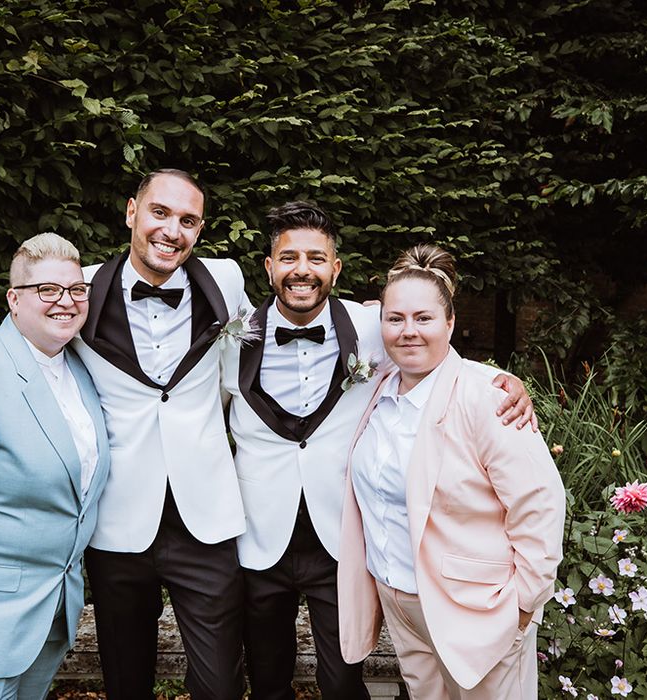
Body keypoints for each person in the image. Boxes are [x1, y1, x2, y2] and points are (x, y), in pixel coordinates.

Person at [219, 203, 536, 700]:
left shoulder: (370, 327)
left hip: (341, 540)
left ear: (335, 268)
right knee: (267, 675)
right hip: (260, 537)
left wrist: (504, 382)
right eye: (289, 257)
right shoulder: (232, 337)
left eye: (317, 258)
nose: (302, 270)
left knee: (343, 679)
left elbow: (429, 346)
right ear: (269, 266)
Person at [337, 244, 566, 700]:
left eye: (424, 318)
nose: (408, 332)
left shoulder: (487, 398)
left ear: (450, 323)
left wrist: (521, 609)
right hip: (398, 600)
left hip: (478, 610)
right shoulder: (377, 388)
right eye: (395, 319)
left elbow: (540, 503)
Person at [71, 169, 249, 700]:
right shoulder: (78, 288)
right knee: (127, 683)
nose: (173, 231)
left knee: (219, 685)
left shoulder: (227, 279)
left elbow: (302, 325)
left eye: (188, 221)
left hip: (206, 521)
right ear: (131, 212)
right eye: (160, 213)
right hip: (119, 521)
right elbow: (20, 344)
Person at [0, 233, 110, 700]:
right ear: (14, 299)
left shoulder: (80, 368)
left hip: (52, 613)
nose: (65, 302)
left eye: (76, 289)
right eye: (47, 290)